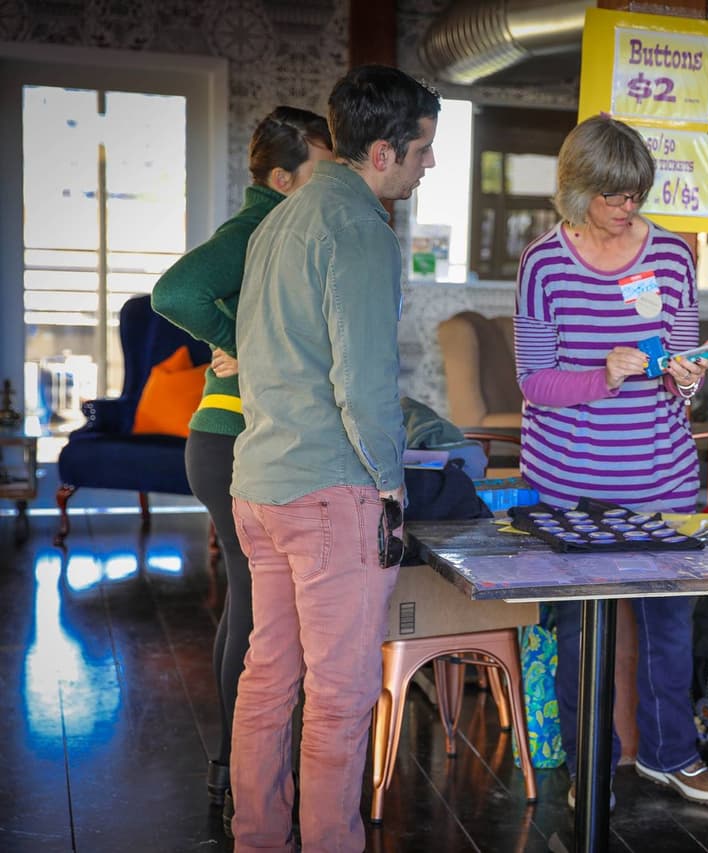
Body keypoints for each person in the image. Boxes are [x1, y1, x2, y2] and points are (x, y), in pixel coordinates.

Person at [228, 66, 440, 851]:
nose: (428, 165)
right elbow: (363, 382)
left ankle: (256, 840)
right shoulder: (358, 229)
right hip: (330, 494)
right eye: (422, 150)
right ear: (383, 151)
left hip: (262, 485)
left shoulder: (281, 218)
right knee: (341, 700)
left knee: (267, 681)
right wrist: (391, 488)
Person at [514, 114, 708, 807]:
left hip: (662, 476)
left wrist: (686, 376)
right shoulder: (543, 264)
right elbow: (533, 381)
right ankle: (591, 766)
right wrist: (602, 374)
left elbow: (680, 359)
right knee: (583, 635)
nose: (626, 209)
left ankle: (672, 753)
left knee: (670, 625)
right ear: (577, 191)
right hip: (569, 484)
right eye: (613, 197)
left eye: (636, 194)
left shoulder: (670, 257)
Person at [151, 106, 333, 816]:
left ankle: (236, 761)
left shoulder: (288, 228)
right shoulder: (259, 224)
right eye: (323, 164)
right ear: (284, 177)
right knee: (256, 617)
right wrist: (246, 338)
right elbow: (174, 293)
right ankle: (238, 766)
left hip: (229, 440)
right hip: (231, 441)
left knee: (247, 611)